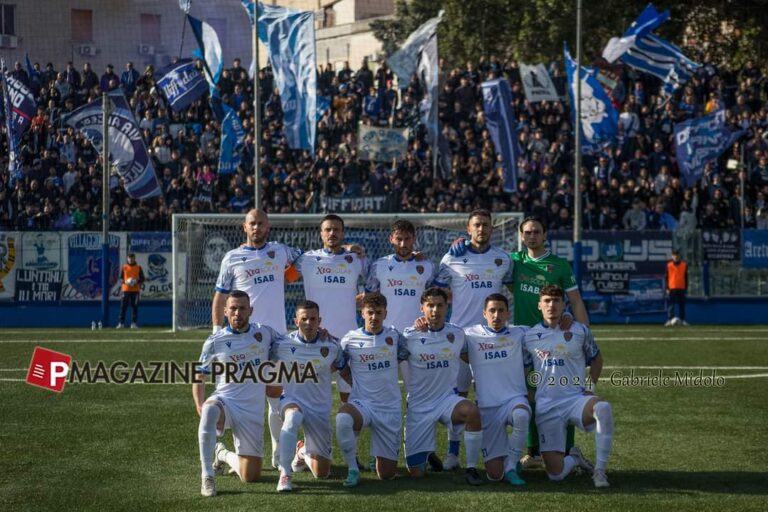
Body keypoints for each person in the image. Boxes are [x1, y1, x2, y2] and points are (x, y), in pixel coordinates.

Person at [212, 208, 303, 469]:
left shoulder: (281, 251)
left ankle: (277, 454)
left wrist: (350, 248)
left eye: (261, 223)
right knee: (231, 395)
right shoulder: (232, 258)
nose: (257, 227)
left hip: (275, 341)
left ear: (268, 226)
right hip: (239, 341)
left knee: (276, 395)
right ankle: (217, 448)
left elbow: (312, 259)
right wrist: (217, 330)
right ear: (244, 226)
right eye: (252, 223)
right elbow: (220, 295)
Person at [433, 209, 512, 469]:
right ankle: (453, 453)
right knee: (459, 395)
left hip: (494, 339)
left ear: (492, 228)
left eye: (486, 225)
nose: (481, 229)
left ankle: (494, 451)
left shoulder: (503, 259)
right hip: (461, 337)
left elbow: (517, 290)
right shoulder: (451, 258)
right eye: (476, 225)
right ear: (468, 229)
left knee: (491, 396)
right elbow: (433, 290)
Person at [523, 285, 613, 488]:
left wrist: (590, 387)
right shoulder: (528, 336)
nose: (551, 305)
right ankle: (575, 458)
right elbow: (524, 368)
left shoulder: (580, 330)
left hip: (575, 400)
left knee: (603, 408)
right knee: (555, 475)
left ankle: (599, 472)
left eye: (556, 301)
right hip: (546, 405)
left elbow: (597, 360)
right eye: (546, 301)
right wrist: (528, 393)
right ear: (539, 305)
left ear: (564, 304)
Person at [193, 291, 281, 497]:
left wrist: (318, 334)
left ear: (251, 310)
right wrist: (199, 404)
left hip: (252, 410)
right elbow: (199, 374)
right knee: (209, 410)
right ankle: (207, 477)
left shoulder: (265, 333)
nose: (237, 313)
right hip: (225, 402)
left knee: (250, 475)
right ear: (225, 311)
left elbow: (292, 343)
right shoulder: (215, 341)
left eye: (242, 308)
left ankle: (221, 453)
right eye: (233, 308)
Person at [402, 288, 484, 486]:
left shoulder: (456, 333)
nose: (435, 310)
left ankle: (471, 468)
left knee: (471, 412)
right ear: (422, 308)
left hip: (446, 400)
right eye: (430, 305)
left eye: (439, 305)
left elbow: (472, 356)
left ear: (447, 307)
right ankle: (428, 454)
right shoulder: (407, 336)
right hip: (419, 405)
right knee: (416, 473)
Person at [271, 300, 345, 492]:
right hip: (291, 400)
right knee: (293, 416)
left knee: (322, 473)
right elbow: (260, 356)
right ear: (296, 320)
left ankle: (302, 451)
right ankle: (285, 473)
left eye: (313, 319)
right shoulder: (281, 344)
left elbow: (343, 367)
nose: (309, 323)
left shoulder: (332, 346)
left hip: (319, 408)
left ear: (319, 320)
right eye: (304, 319)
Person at [335, 293, 407, 487]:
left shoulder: (395, 336)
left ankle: (378, 457)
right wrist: (354, 382)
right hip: (363, 403)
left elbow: (405, 356)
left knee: (386, 475)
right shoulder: (350, 339)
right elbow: (340, 365)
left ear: (385, 313)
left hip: (389, 408)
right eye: (370, 313)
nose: (374, 317)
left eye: (378, 313)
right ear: (362, 313)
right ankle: (352, 469)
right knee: (343, 419)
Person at [294, 214, 367, 403]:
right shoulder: (306, 260)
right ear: (321, 233)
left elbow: (376, 280)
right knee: (312, 396)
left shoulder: (356, 259)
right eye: (328, 229)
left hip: (348, 336)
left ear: (343, 233)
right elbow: (283, 277)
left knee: (349, 394)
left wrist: (364, 295)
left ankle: (348, 432)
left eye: (336, 229)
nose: (332, 233)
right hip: (315, 336)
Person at [463, 293, 530, 485]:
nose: (496, 315)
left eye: (501, 310)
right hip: (488, 407)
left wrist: (566, 317)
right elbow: (446, 338)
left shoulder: (521, 333)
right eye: (492, 310)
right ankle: (508, 463)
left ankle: (511, 466)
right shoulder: (469, 335)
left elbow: (548, 327)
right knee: (494, 475)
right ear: (484, 313)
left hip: (514, 400)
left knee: (522, 416)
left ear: (508, 313)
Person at [366, 219, 434, 386]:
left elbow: (434, 300)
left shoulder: (427, 266)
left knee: (416, 387)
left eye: (407, 239)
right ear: (391, 239)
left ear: (414, 239)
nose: (403, 244)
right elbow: (371, 300)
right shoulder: (379, 266)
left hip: (417, 333)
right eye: (399, 239)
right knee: (379, 385)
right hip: (385, 334)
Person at [117, 253, 144, 329]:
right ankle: (121, 323)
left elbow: (142, 278)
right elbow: (120, 278)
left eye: (132, 258)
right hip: (126, 290)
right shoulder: (124, 267)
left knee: (135, 307)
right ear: (127, 259)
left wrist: (136, 281)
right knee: (123, 307)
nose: (131, 260)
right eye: (129, 258)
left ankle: (133, 323)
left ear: (134, 258)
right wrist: (126, 282)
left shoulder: (138, 267)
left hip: (135, 290)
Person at [665, 249, 689, 326]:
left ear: (679, 256)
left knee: (682, 305)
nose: (675, 257)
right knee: (671, 305)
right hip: (672, 287)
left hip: (681, 287)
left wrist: (686, 288)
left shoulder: (684, 265)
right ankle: (669, 319)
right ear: (672, 256)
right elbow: (666, 277)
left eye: (677, 255)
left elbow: (686, 277)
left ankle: (682, 320)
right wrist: (667, 288)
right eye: (674, 255)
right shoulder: (669, 265)